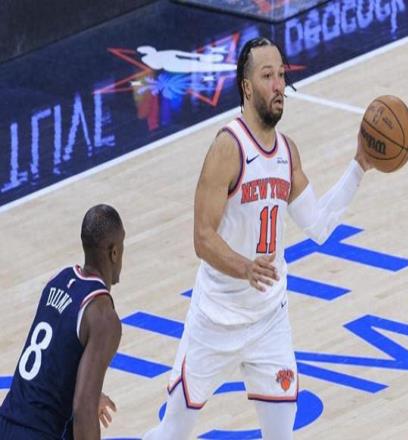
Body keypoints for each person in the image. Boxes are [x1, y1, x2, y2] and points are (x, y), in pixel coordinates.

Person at [144, 37, 373, 439]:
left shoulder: (287, 152)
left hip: (269, 321)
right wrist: (245, 268)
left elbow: (318, 227)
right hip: (215, 320)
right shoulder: (227, 148)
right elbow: (202, 238)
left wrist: (359, 166)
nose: (278, 85)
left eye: (281, 75)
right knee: (173, 432)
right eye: (268, 76)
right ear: (247, 87)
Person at [0, 204, 125, 439]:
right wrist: (88, 399)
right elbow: (83, 410)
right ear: (114, 252)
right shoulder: (103, 317)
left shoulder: (58, 280)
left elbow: (54, 360)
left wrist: (90, 394)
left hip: (6, 420)